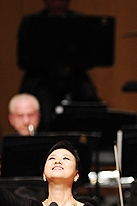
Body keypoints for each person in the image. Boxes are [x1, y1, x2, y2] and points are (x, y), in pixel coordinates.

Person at [17, 0, 100, 131]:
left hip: (73, 75)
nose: (57, 3)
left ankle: (87, 138)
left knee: (88, 95)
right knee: (42, 100)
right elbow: (23, 60)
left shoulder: (79, 21)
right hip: (42, 77)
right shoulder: (32, 22)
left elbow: (90, 59)